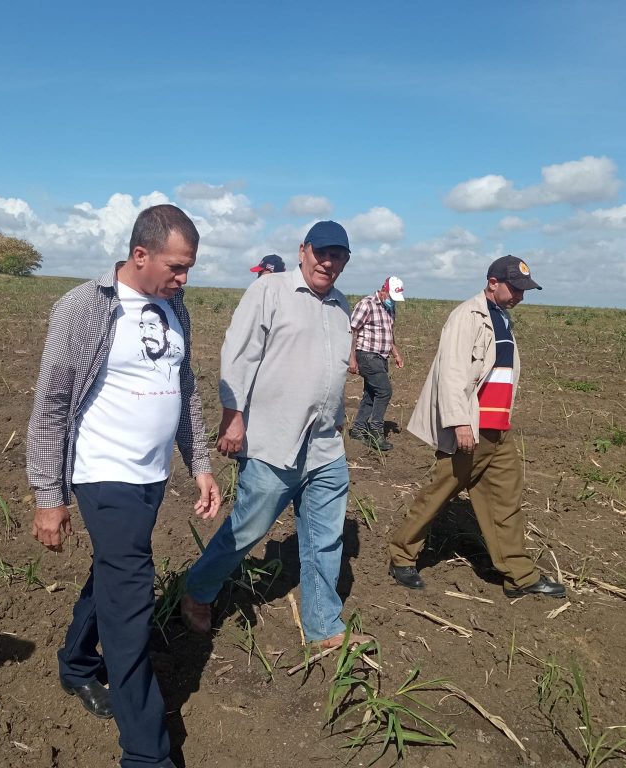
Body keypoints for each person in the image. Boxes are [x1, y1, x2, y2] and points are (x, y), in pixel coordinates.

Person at [26, 204, 221, 768]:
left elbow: (185, 390)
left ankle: (77, 662)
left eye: (188, 268)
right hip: (102, 472)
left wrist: (199, 463)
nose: (184, 279)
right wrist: (49, 496)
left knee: (114, 569)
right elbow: (52, 405)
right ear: (140, 255)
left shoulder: (174, 306)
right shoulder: (86, 307)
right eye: (177, 267)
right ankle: (145, 753)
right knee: (131, 602)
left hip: (151, 474)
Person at [181, 221, 368, 649]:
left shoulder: (341, 305)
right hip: (274, 439)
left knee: (326, 538)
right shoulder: (270, 291)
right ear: (302, 250)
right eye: (321, 252)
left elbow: (332, 367)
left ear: (345, 261)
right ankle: (197, 590)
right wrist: (233, 417)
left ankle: (323, 625)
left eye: (337, 255)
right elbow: (239, 353)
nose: (328, 261)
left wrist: (335, 412)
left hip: (324, 444)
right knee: (248, 529)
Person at [388, 255, 566, 599]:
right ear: (492, 282)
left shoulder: (502, 318)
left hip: (498, 428)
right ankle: (401, 555)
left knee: (506, 501)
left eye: (524, 290)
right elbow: (452, 372)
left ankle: (520, 576)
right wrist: (459, 422)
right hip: (472, 426)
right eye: (515, 288)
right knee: (439, 494)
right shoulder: (467, 316)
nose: (520, 296)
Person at [348, 276, 406, 451]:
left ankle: (357, 429)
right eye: (390, 296)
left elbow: (389, 333)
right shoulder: (366, 304)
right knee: (384, 391)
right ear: (384, 290)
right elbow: (352, 331)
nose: (392, 301)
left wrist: (396, 354)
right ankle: (375, 431)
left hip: (381, 356)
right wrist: (351, 358)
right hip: (366, 354)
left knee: (371, 394)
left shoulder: (390, 308)